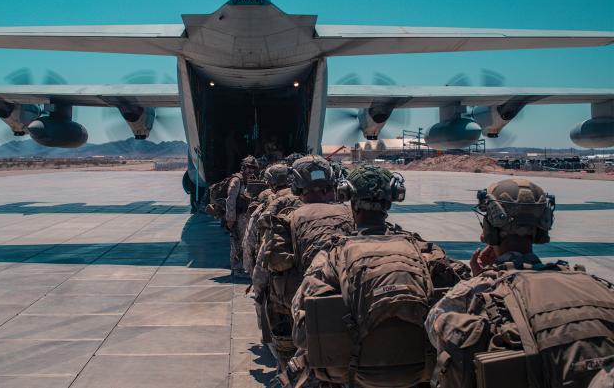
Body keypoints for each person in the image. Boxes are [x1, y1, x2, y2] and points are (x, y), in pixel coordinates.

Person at [285, 165, 469, 388]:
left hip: (354, 376)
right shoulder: (425, 252)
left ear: (350, 201)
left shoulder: (331, 256)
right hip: (419, 373)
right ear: (390, 202)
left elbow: (301, 335)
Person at [426, 178, 614, 388]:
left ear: (491, 225)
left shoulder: (477, 289)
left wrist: (477, 280)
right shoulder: (596, 285)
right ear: (543, 224)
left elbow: (433, 327)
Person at [260, 155, 354, 373]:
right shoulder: (352, 214)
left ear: (297, 186)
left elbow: (275, 263)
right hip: (354, 300)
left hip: (308, 306)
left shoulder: (289, 217)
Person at [226, 155, 259, 276]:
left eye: (253, 168)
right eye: (249, 167)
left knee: (247, 242)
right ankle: (236, 268)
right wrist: (230, 219)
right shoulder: (237, 180)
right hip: (238, 216)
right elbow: (230, 200)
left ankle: (244, 267)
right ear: (244, 167)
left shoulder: (252, 180)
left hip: (247, 216)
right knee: (237, 242)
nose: (251, 170)